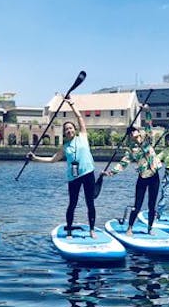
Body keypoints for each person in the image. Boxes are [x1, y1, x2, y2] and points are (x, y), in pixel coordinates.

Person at [27, 97, 96, 239]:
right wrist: (35, 158)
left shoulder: (83, 136)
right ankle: (69, 231)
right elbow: (52, 159)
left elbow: (79, 117)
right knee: (72, 204)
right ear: (64, 133)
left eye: (71, 128)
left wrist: (71, 104)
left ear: (75, 129)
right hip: (74, 178)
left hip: (88, 173)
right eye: (66, 129)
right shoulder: (64, 147)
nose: (69, 130)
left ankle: (92, 231)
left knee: (90, 203)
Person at [101, 105, 161, 236]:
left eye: (134, 131)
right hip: (143, 178)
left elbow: (149, 125)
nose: (133, 133)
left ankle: (150, 228)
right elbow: (123, 164)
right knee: (137, 205)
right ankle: (130, 227)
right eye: (130, 132)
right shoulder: (131, 150)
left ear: (139, 132)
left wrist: (147, 111)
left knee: (152, 205)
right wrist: (110, 173)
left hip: (154, 176)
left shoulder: (147, 140)